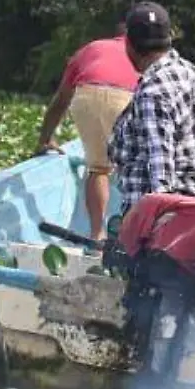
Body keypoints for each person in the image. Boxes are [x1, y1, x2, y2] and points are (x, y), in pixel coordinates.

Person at [36, 25, 141, 238]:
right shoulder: (143, 53)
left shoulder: (91, 48)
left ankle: (96, 234)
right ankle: (133, 237)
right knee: (136, 168)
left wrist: (45, 140)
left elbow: (60, 101)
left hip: (86, 96)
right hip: (126, 97)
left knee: (98, 168)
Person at [108, 2, 195, 210]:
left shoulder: (152, 93)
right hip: (191, 206)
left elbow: (161, 173)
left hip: (153, 219)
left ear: (129, 43)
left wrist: (155, 226)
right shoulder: (192, 74)